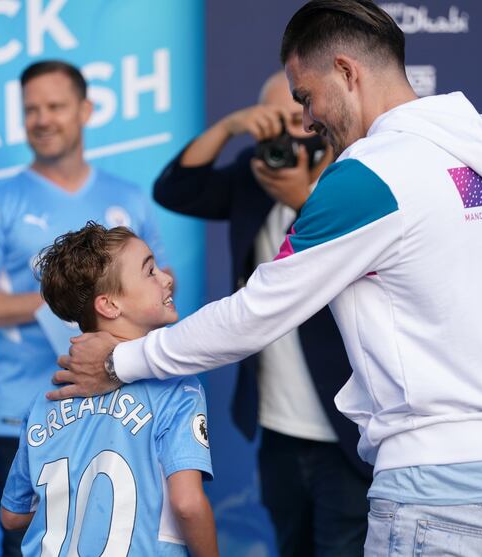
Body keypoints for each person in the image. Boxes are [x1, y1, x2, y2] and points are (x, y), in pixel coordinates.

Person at [52, 1, 482, 555]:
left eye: (305, 97)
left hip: (438, 488)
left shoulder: (369, 177)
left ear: (347, 71)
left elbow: (254, 313)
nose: (309, 121)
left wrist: (118, 361)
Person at [0, 60, 167, 557]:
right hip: (27, 416)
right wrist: (65, 300)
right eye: (31, 110)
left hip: (124, 414)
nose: (42, 119)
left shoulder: (128, 201)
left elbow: (159, 300)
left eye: (56, 106)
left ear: (85, 109)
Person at [153, 70, 372, 556]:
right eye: (270, 123)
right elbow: (174, 189)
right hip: (277, 432)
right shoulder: (254, 181)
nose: (284, 136)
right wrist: (231, 126)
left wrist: (300, 198)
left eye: (296, 116)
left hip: (349, 435)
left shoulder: (355, 185)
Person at [0, 222, 217, 557]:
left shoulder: (46, 400)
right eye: (149, 271)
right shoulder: (178, 389)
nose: (166, 277)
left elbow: (12, 515)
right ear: (110, 305)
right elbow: (187, 504)